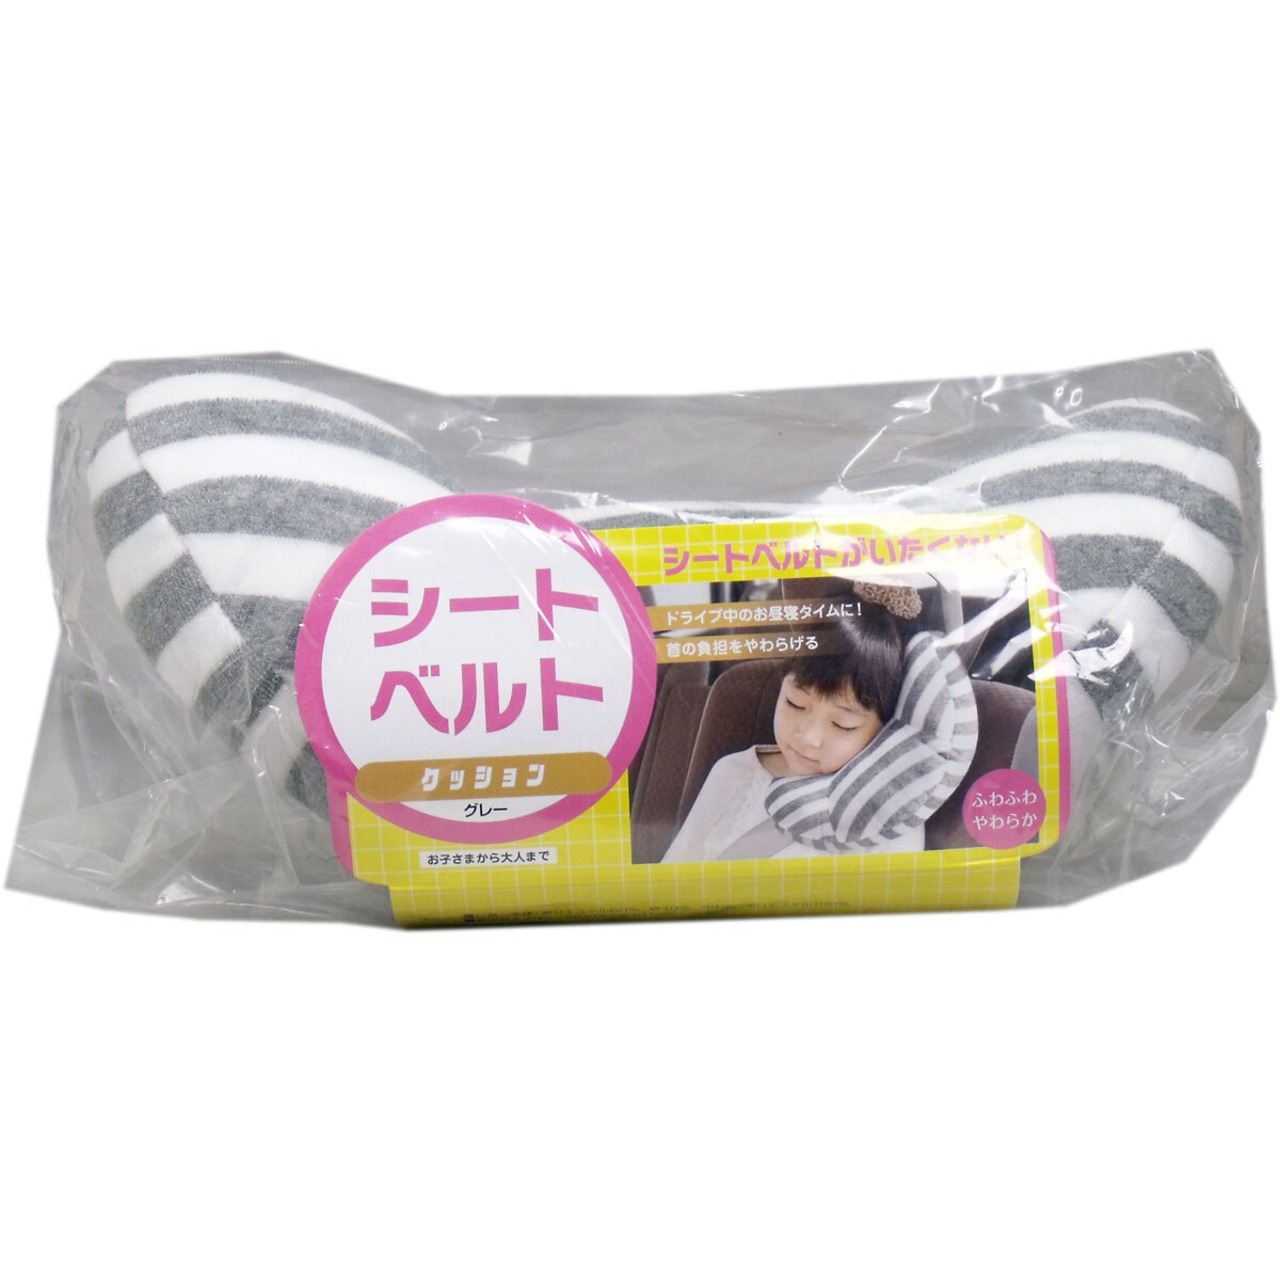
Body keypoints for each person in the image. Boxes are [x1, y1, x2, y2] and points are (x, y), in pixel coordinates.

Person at [662, 592, 919, 862]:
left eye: (842, 725)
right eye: (795, 703)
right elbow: (675, 875)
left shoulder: (891, 819)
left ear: (885, 730)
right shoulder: (733, 772)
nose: (808, 737)